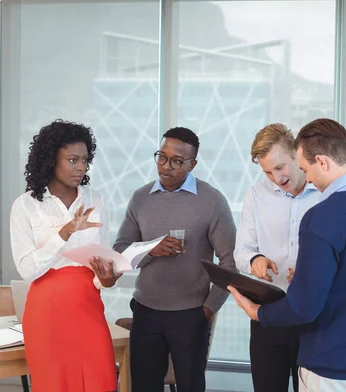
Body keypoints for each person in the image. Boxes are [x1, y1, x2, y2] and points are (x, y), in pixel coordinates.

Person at [228, 118, 346, 392]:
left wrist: (257, 313)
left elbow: (305, 305)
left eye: (306, 169)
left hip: (330, 365)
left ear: (322, 162)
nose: (309, 178)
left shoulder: (321, 217)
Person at [113, 126, 236, 392]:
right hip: (145, 311)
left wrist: (207, 310)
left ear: (192, 164)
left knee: (191, 387)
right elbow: (121, 251)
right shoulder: (140, 198)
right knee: (144, 386)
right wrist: (151, 249)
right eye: (162, 156)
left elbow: (229, 265)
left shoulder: (212, 201)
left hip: (191, 315)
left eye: (177, 161)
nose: (166, 166)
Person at [10, 119, 121, 392]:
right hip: (46, 314)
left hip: (89, 308)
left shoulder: (96, 200)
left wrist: (106, 279)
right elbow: (27, 270)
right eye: (72, 160)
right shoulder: (25, 206)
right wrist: (65, 232)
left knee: (101, 382)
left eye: (84, 160)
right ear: (50, 159)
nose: (81, 167)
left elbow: (101, 262)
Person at [234, 123, 320, 392]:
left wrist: (311, 271)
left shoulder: (326, 194)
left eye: (280, 167)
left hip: (314, 316)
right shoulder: (256, 196)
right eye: (267, 172)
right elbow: (241, 251)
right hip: (268, 312)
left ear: (296, 154)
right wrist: (255, 259)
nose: (275, 177)